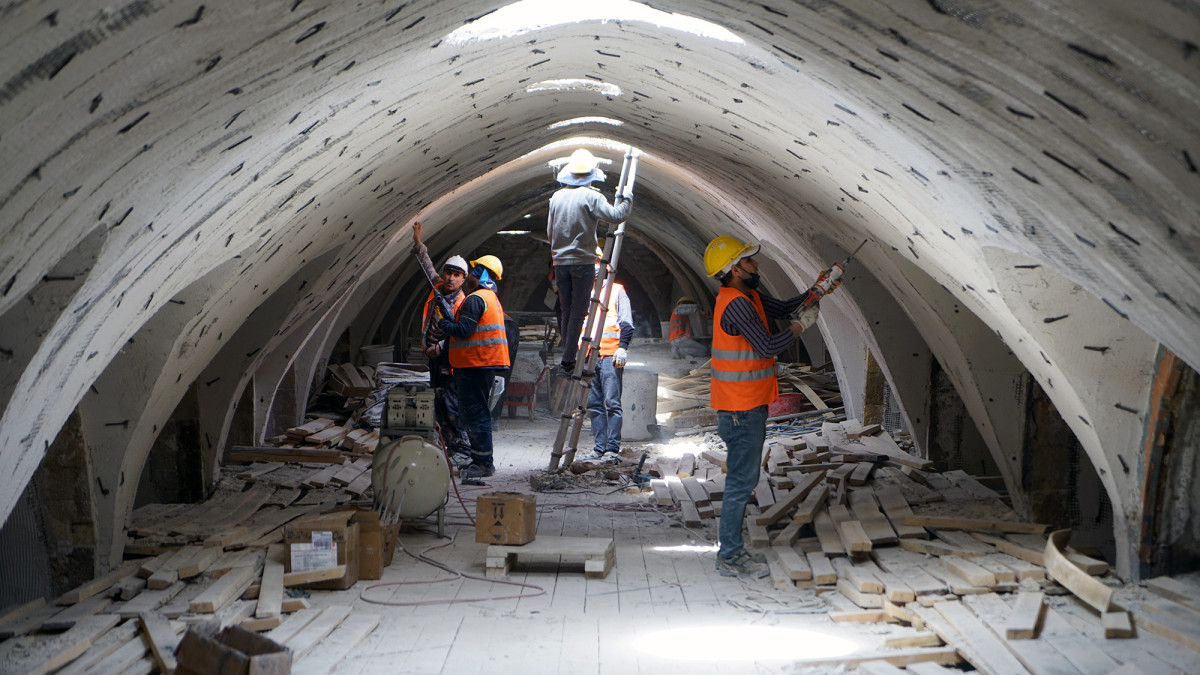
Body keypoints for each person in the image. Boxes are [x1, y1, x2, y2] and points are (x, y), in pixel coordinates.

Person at [703, 235, 831, 579]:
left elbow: (785, 307)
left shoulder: (748, 296)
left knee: (742, 481)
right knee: (741, 484)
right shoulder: (737, 304)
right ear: (733, 269)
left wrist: (816, 291)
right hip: (740, 411)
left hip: (744, 407)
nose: (755, 264)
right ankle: (729, 556)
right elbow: (767, 346)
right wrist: (801, 326)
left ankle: (730, 551)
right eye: (748, 260)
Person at [547, 148, 633, 375]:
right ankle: (569, 362)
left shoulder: (556, 197)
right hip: (582, 262)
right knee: (578, 312)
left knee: (566, 312)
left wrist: (557, 255)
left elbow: (550, 232)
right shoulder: (592, 196)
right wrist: (627, 199)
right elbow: (616, 216)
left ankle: (567, 359)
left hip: (559, 263)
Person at [438, 254, 510, 481]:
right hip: (481, 364)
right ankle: (480, 458)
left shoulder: (475, 299)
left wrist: (443, 322)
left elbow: (464, 331)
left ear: (482, 274)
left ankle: (483, 463)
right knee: (477, 412)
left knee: (476, 414)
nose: (470, 275)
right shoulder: (490, 298)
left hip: (474, 365)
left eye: (475, 271)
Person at [411, 222, 472, 466]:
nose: (450, 277)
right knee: (436, 397)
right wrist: (418, 243)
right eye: (448, 272)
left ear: (463, 279)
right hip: (433, 356)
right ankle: (444, 442)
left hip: (451, 359)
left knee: (450, 400)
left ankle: (460, 444)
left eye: (456, 275)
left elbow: (462, 334)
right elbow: (426, 266)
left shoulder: (464, 304)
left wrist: (442, 347)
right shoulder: (437, 287)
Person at [585, 269, 634, 462]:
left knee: (612, 403)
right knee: (594, 404)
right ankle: (599, 448)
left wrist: (623, 347)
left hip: (610, 355)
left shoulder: (616, 291)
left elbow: (626, 322)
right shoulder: (587, 293)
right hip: (590, 355)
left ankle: (612, 448)